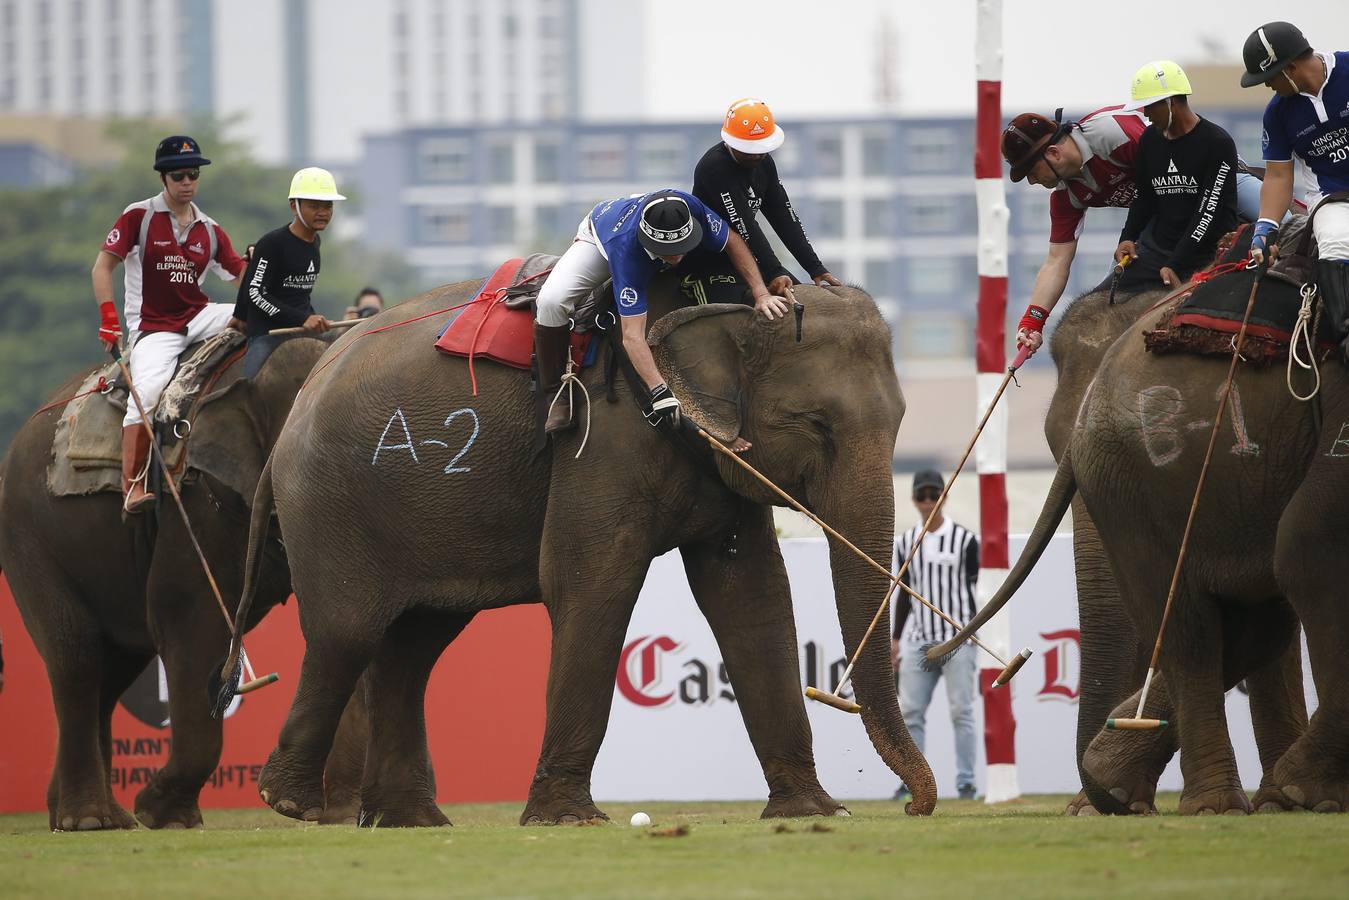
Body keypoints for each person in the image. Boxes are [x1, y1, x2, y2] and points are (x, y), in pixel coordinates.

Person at [1005, 98, 1262, 354]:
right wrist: (1033, 322)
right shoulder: (1065, 195)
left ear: (1053, 153)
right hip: (1160, 212)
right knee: (1111, 295)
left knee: (1283, 221)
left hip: (1213, 179)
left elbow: (1182, 162)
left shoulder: (1113, 134)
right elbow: (1056, 261)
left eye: (1031, 171)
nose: (1031, 181)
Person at [533, 189, 789, 435]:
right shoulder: (626, 253)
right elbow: (632, 336)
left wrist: (760, 292)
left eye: (683, 247)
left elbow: (732, 240)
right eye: (669, 252)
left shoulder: (689, 207)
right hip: (601, 232)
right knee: (551, 301)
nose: (677, 256)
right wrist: (660, 391)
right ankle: (555, 390)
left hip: (641, 208)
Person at [92, 135, 247, 513]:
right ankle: (132, 487)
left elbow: (241, 276)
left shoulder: (209, 230)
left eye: (193, 174)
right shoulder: (139, 216)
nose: (187, 182)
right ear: (163, 178)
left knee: (256, 317)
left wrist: (260, 268)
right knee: (146, 394)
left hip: (197, 316)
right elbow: (102, 267)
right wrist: (109, 319)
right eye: (179, 175)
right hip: (154, 327)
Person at [1242, 21, 1349, 363]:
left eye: (1270, 77)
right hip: (1333, 198)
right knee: (1333, 239)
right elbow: (1277, 176)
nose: (1269, 86)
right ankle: (1346, 336)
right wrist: (1265, 227)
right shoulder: (1277, 113)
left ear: (1288, 67)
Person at [683, 98, 841, 304]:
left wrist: (815, 268)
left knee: (803, 304)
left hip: (751, 255)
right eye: (749, 149)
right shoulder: (715, 167)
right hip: (712, 260)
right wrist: (774, 271)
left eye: (761, 147)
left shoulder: (764, 162)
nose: (757, 155)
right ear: (731, 141)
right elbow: (744, 225)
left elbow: (784, 216)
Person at [1113, 61, 1240, 294]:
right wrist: (1128, 237)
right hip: (1159, 252)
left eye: (1149, 106)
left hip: (1207, 253)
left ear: (1170, 101)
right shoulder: (1149, 140)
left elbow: (1207, 213)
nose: (1146, 114)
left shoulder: (1217, 143)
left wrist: (1176, 264)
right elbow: (1144, 198)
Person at [891, 470, 980, 802]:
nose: (928, 501)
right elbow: (904, 594)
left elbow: (976, 587)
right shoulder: (905, 541)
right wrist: (896, 638)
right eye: (921, 496)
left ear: (944, 497)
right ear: (914, 500)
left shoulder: (966, 540)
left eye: (934, 495)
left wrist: (971, 628)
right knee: (911, 712)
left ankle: (966, 782)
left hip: (958, 639)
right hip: (919, 639)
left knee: (962, 711)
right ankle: (913, 781)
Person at [234, 167, 346, 377]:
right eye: (314, 206)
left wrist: (311, 319)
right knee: (249, 386)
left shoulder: (316, 242)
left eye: (328, 206)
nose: (323, 212)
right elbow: (255, 293)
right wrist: (302, 318)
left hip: (304, 332)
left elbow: (299, 294)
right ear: (294, 206)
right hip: (268, 335)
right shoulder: (272, 243)